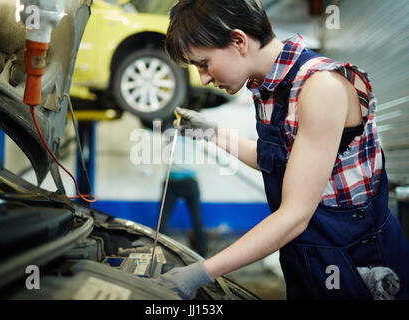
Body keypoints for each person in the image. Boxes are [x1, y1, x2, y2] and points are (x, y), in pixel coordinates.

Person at [151, 0, 409, 300]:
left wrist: (201, 272)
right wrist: (213, 134)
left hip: (356, 264)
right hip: (309, 257)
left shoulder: (320, 86)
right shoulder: (270, 89)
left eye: (203, 63)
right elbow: (281, 164)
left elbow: (295, 215)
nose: (203, 78)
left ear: (238, 41)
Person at [159, 133, 208, 257]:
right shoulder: (194, 134)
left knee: (163, 219)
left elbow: (149, 123)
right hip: (189, 180)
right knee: (197, 218)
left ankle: (159, 250)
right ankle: (203, 252)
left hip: (172, 180)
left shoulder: (169, 132)